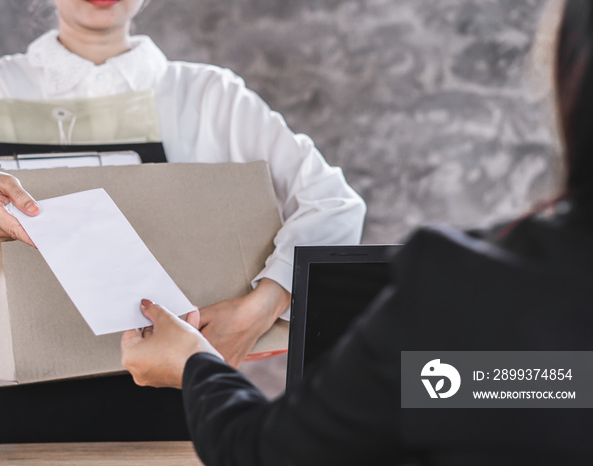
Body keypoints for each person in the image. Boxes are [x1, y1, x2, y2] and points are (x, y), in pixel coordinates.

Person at [119, 1, 593, 464]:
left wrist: (197, 362)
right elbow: (548, 384)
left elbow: (267, 452)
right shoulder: (518, 367)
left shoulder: (467, 295)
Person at [0, 0, 365, 443]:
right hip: (24, 394)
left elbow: (334, 203)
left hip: (184, 388)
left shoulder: (209, 95)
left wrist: (261, 306)